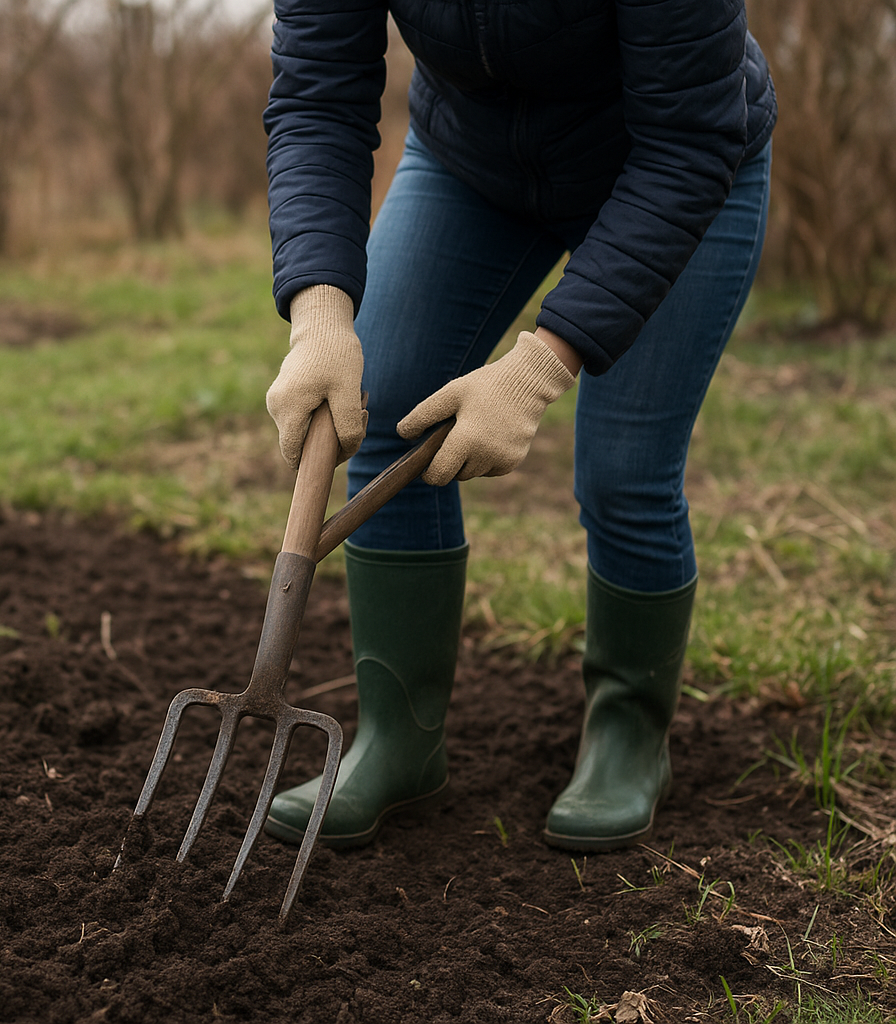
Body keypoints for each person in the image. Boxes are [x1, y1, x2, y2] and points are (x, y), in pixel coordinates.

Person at [260, 0, 776, 852]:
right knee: (387, 408)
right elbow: (318, 90)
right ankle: (399, 738)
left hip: (675, 161)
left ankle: (628, 735)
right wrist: (319, 310)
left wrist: (543, 364)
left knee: (625, 473)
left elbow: (689, 139)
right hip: (470, 161)